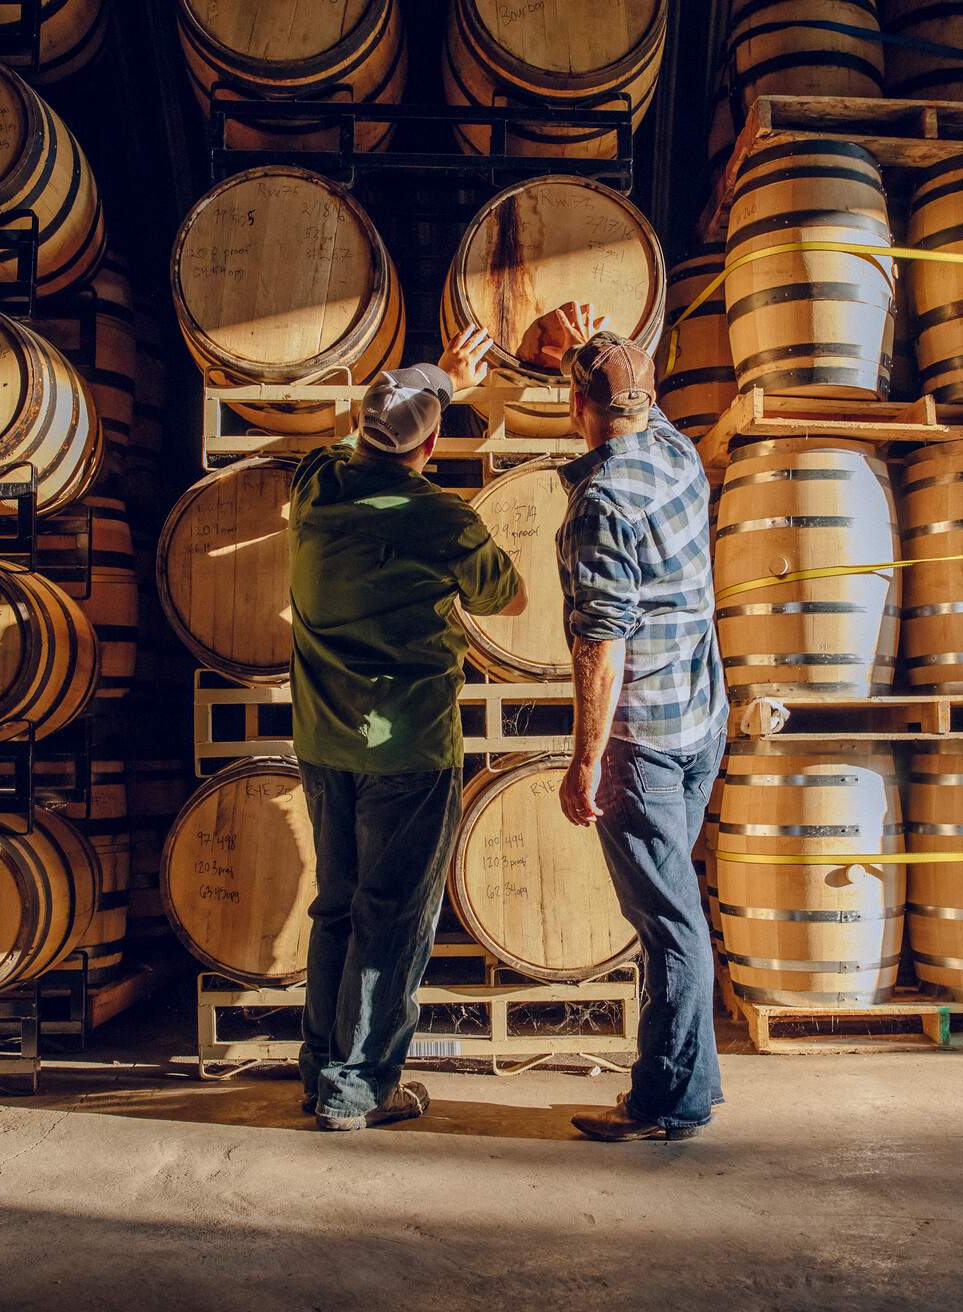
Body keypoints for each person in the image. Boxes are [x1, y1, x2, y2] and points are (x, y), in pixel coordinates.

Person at [287, 326, 528, 1132]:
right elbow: (508, 600)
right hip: (409, 749)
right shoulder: (443, 520)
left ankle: (321, 1071)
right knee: (390, 918)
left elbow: (344, 440)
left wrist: (434, 383)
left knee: (336, 908)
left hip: (323, 742)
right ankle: (359, 1089)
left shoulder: (316, 487)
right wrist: (450, 388)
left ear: (363, 428)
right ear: (431, 442)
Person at [538, 303, 730, 1142]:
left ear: (577, 408)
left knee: (671, 923)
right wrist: (589, 349)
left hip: (642, 743)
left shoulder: (601, 505)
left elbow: (600, 647)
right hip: (700, 723)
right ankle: (676, 1086)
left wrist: (585, 763)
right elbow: (619, 396)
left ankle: (669, 1104)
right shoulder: (676, 451)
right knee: (671, 915)